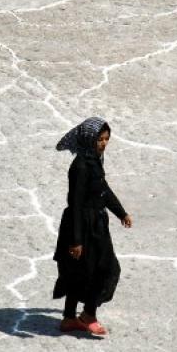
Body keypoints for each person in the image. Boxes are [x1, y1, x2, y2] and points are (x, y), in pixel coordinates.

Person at [52, 117, 133, 335]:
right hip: (83, 226)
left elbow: (102, 189)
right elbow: (76, 204)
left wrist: (121, 213)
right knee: (100, 269)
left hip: (95, 224)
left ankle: (70, 318)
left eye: (106, 139)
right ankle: (87, 315)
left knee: (83, 271)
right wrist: (76, 240)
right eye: (100, 139)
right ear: (90, 139)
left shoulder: (94, 161)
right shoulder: (80, 166)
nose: (104, 143)